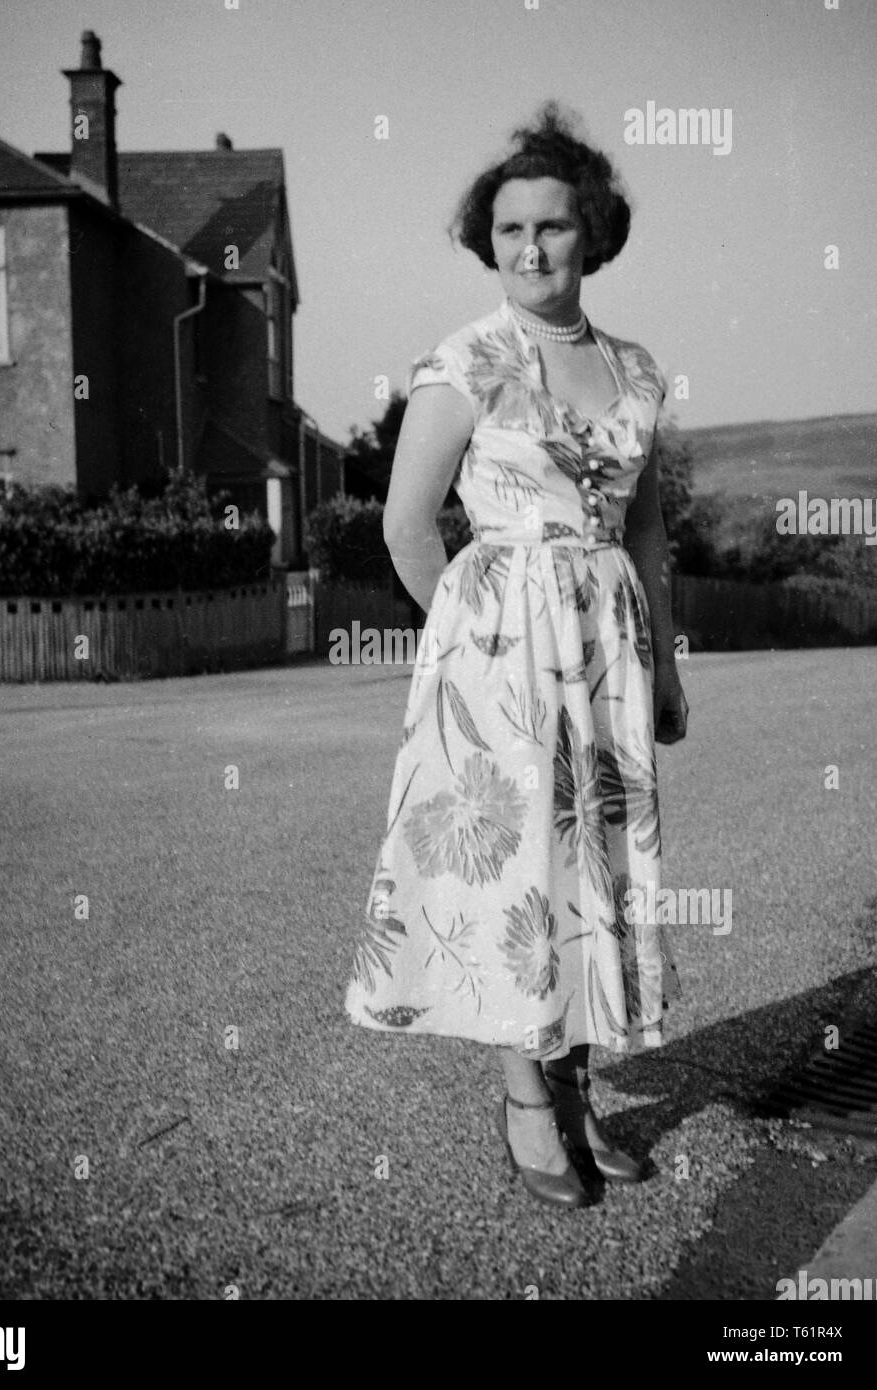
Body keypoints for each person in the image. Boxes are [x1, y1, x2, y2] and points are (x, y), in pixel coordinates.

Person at [345, 101, 688, 1209]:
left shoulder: (637, 374)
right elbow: (407, 523)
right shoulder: (467, 360)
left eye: (550, 227)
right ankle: (524, 1105)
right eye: (508, 234)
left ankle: (580, 1087)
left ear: (591, 230)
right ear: (488, 246)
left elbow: (643, 531)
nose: (530, 249)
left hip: (607, 656)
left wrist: (667, 665)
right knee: (514, 875)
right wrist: (468, 641)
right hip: (499, 655)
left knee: (593, 873)